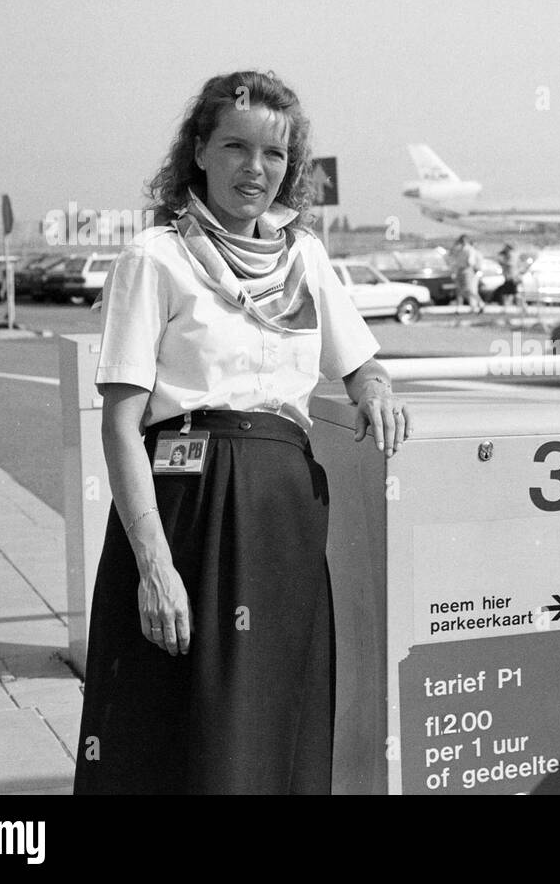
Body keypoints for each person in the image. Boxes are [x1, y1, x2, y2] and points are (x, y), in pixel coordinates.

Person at [73, 70, 410, 795]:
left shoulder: (305, 259)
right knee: (175, 732)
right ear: (198, 150)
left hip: (283, 516)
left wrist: (376, 390)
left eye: (275, 155)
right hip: (188, 510)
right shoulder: (156, 258)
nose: (255, 169)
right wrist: (154, 566)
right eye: (235, 146)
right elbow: (122, 424)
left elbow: (361, 364)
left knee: (271, 731)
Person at [449, 234, 484, 314]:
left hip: (467, 270)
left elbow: (471, 262)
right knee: (459, 290)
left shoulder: (469, 249)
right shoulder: (460, 249)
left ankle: (481, 303)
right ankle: (458, 308)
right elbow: (452, 255)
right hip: (460, 270)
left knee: (468, 289)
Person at [490, 242, 525, 310]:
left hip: (511, 277)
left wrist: (501, 263)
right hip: (510, 277)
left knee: (513, 293)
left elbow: (509, 265)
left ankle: (522, 306)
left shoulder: (511, 255)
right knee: (509, 293)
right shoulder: (512, 254)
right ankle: (507, 307)